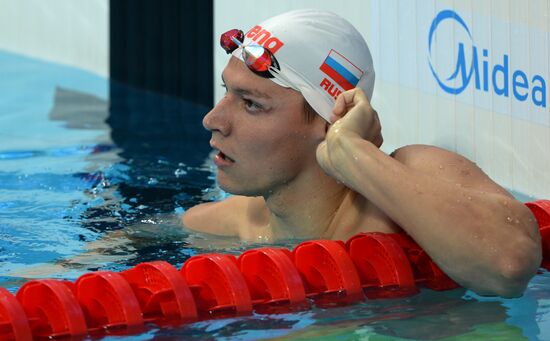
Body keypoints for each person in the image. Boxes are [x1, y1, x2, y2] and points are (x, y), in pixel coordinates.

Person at [182, 9, 542, 297]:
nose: (212, 119)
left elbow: (509, 266)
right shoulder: (226, 226)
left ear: (329, 121)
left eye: (251, 104)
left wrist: (351, 151)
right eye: (226, 91)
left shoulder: (415, 173)